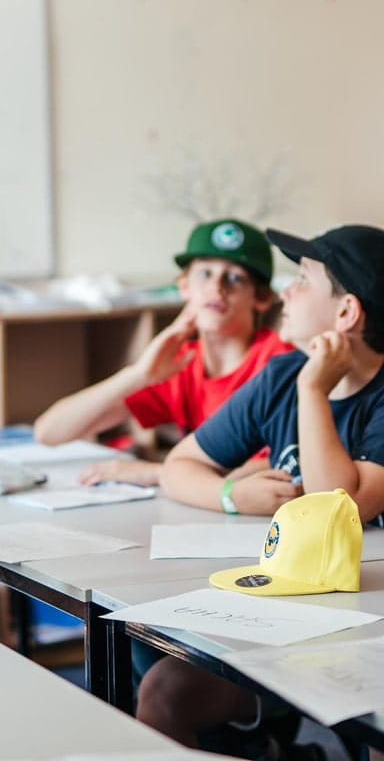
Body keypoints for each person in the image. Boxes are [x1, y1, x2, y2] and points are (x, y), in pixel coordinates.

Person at [141, 223, 384, 751]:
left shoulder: (334, 387)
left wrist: (313, 389)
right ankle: (269, 744)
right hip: (284, 608)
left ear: (346, 314)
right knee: (156, 676)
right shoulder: (279, 377)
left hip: (363, 626)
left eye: (303, 278)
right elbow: (179, 466)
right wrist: (231, 495)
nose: (288, 292)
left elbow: (336, 505)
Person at [33, 218, 290, 486]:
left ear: (261, 297)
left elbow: (289, 461)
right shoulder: (182, 364)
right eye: (205, 273)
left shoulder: (281, 362)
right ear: (184, 286)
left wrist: (159, 472)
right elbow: (49, 432)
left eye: (235, 277)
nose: (216, 288)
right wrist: (139, 374)